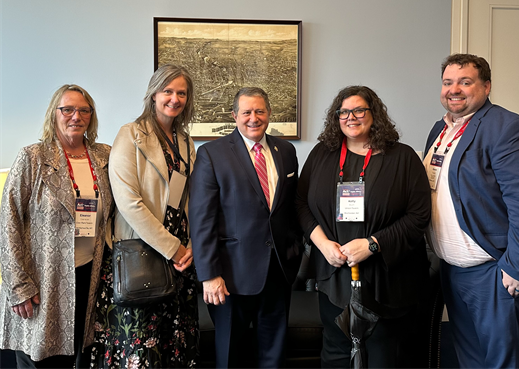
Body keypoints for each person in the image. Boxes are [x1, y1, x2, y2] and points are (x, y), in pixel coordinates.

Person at [423, 53, 519, 369]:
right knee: (470, 357)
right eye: (448, 82)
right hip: (452, 269)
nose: (455, 89)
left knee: (500, 361)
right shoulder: (440, 130)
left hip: (492, 272)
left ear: (486, 86)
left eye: (465, 82)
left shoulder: (508, 129)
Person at [296, 86, 431, 368]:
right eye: (343, 111)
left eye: (359, 110)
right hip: (334, 275)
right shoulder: (323, 153)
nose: (351, 117)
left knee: (384, 356)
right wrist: (322, 244)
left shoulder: (403, 158)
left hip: (388, 280)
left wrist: (372, 244)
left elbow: (419, 216)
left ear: (374, 114)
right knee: (335, 353)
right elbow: (300, 203)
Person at [91, 64, 199, 368]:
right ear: (153, 94)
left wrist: (189, 246)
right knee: (140, 346)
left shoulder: (186, 141)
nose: (174, 98)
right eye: (167, 91)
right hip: (143, 253)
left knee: (173, 343)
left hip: (180, 260)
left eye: (181, 93)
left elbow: (189, 198)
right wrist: (172, 247)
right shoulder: (131, 134)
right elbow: (128, 202)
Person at [0, 84, 114, 368]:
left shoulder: (104, 157)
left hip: (89, 276)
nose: (76, 116)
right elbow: (8, 221)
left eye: (84, 110)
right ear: (54, 114)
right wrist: (18, 286)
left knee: (79, 356)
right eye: (68, 109)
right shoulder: (33, 157)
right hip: (42, 279)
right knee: (40, 358)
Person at [189, 87, 303, 369]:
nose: (254, 118)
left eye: (260, 111)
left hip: (277, 273)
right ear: (234, 116)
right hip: (229, 278)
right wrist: (209, 274)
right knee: (230, 357)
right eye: (247, 112)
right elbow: (202, 219)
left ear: (269, 113)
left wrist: (294, 250)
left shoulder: (286, 151)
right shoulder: (211, 154)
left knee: (274, 358)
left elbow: (290, 207)